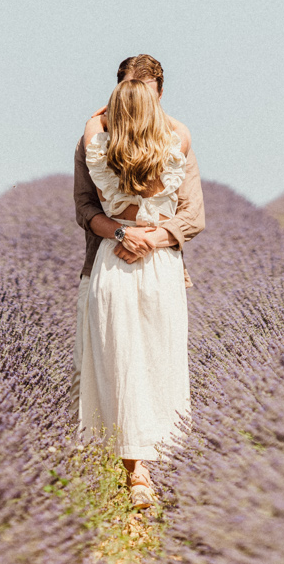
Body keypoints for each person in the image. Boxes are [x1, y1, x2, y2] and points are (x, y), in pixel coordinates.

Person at [74, 53, 204, 508]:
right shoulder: (178, 138)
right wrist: (150, 236)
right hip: (156, 263)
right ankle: (147, 470)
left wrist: (129, 234)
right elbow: (192, 216)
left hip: (117, 260)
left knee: (121, 362)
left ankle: (139, 474)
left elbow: (87, 211)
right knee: (157, 362)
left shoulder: (95, 136)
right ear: (160, 93)